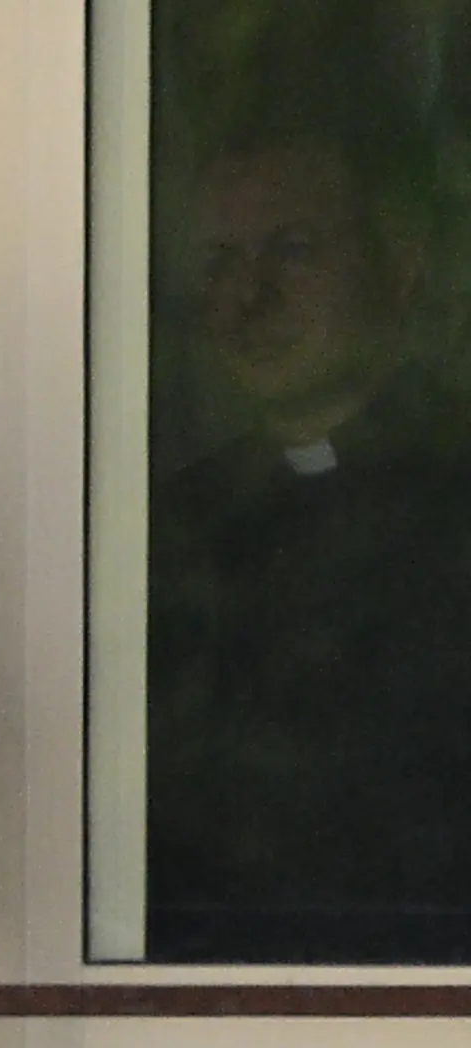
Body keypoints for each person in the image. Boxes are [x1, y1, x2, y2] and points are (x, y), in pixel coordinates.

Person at [146, 121, 471, 964]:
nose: (248, 299)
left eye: (291, 252)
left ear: (398, 273)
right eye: (219, 264)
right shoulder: (162, 531)